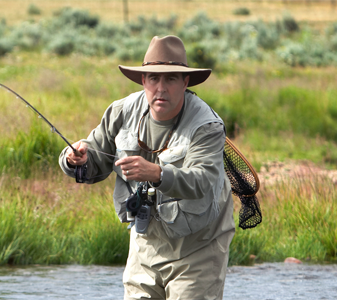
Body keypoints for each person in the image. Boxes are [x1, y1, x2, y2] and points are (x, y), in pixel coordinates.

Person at [59, 35, 234, 300]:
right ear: (143, 81)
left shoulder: (206, 126)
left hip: (200, 246)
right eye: (153, 78)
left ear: (185, 82)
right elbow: (93, 160)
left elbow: (203, 180)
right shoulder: (121, 111)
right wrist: (75, 160)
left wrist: (157, 174)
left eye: (171, 79)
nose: (160, 88)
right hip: (145, 244)